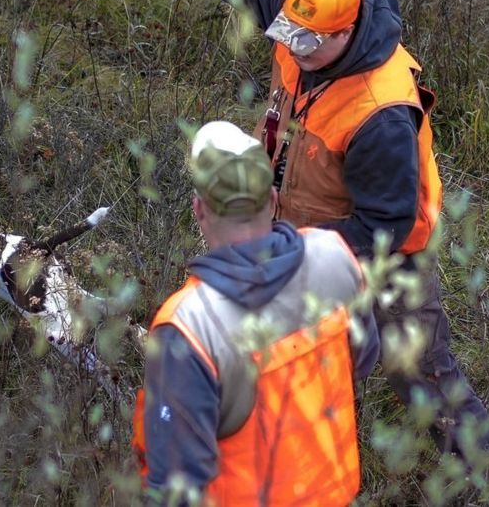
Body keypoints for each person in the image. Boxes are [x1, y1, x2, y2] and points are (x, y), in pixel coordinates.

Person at [90, 0, 489, 460]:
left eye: (310, 43)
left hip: (386, 258)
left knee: (422, 372)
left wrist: (287, 249)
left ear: (345, 32)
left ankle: (482, 470)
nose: (294, 48)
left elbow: (385, 225)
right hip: (303, 230)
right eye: (289, 33)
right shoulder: (300, 8)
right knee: (308, 361)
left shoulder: (380, 113)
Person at [133, 120, 380, 504]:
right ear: (274, 201)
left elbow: (176, 488)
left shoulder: (189, 327)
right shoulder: (335, 256)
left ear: (199, 210)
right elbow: (361, 359)